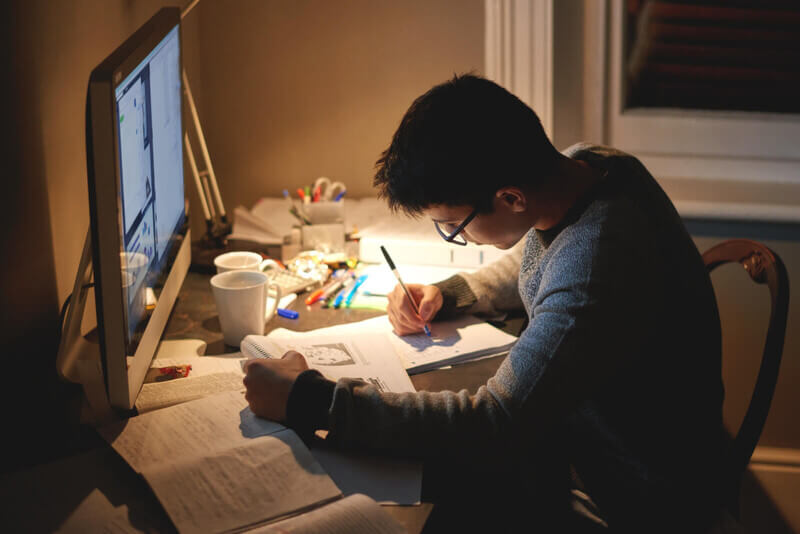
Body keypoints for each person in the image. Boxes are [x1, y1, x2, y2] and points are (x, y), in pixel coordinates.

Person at [243, 74, 727, 532]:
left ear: (511, 197)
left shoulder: (594, 268)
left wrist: (312, 399)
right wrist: (451, 293)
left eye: (453, 225)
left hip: (629, 496)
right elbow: (540, 258)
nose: (453, 235)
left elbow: (494, 423)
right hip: (588, 441)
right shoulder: (589, 167)